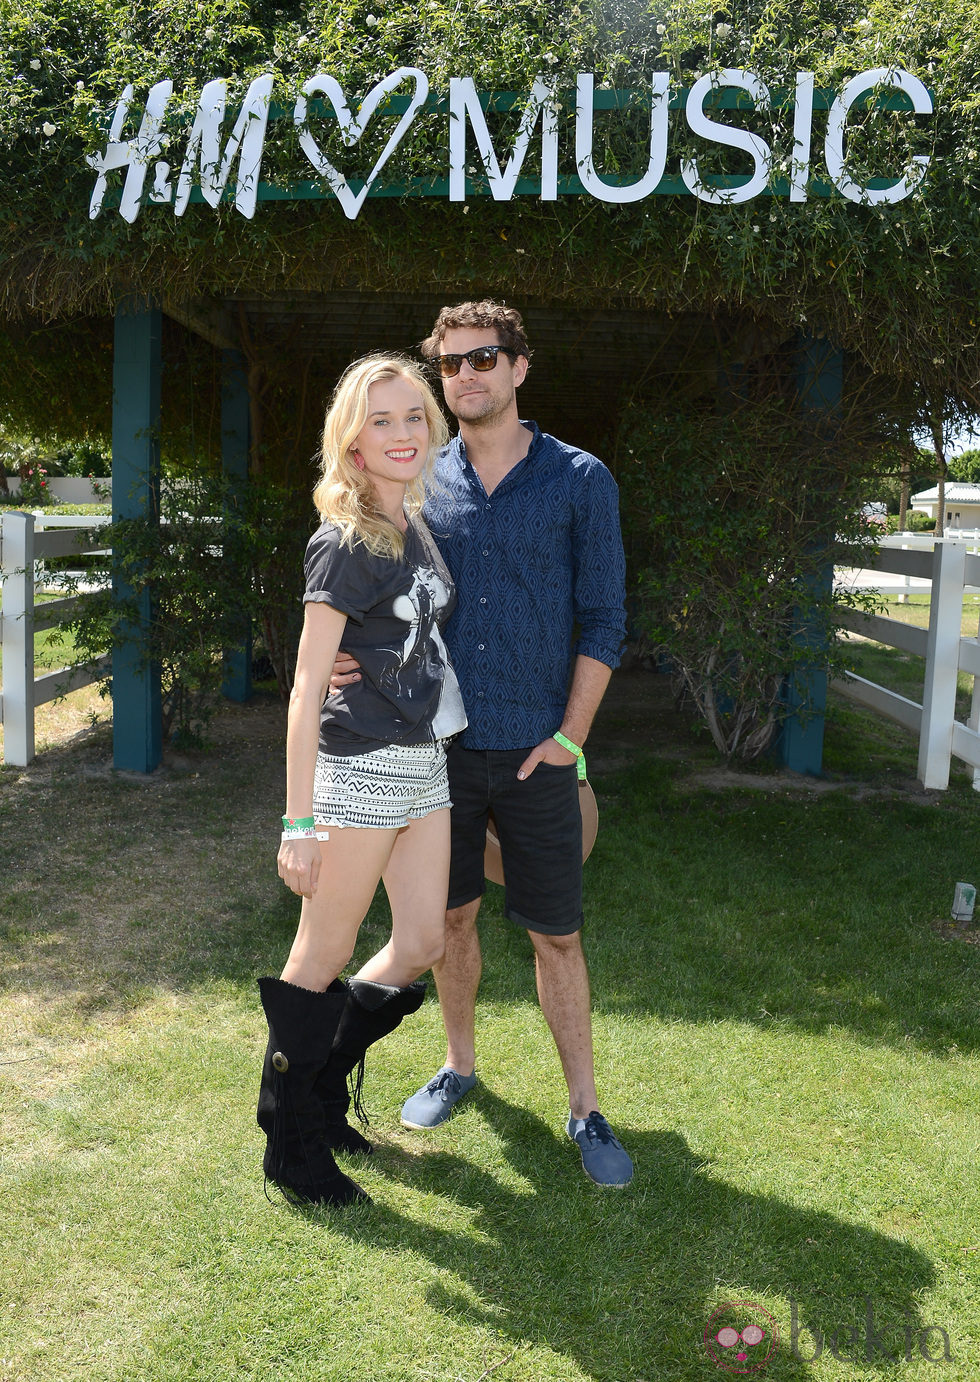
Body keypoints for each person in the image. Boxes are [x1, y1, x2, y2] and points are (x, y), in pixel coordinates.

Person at [333, 302, 633, 1187]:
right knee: (449, 920)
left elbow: (606, 618)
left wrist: (571, 741)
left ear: (520, 368)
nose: (467, 375)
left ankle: (584, 1110)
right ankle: (460, 1065)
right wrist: (346, 646)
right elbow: (371, 572)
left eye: (485, 358)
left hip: (540, 751)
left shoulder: (581, 480)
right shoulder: (422, 479)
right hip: (439, 753)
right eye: (452, 363)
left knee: (558, 937)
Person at [256, 353, 467, 1208]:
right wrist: (297, 825)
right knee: (323, 952)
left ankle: (320, 1091)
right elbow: (306, 689)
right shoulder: (343, 541)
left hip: (423, 762)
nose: (402, 432)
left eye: (413, 415)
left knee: (422, 940)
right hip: (358, 770)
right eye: (380, 420)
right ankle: (289, 1139)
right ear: (351, 441)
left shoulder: (414, 521)